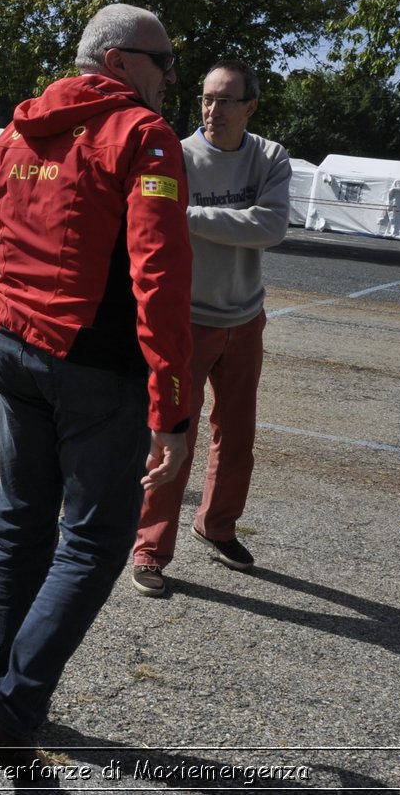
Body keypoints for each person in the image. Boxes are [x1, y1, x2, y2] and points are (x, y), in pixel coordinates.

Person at [0, 3, 192, 771]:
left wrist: (12, 310)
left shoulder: (19, 128)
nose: (170, 77)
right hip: (94, 365)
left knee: (21, 522)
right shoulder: (143, 135)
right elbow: (159, 273)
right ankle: (15, 702)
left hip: (12, 340)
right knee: (94, 538)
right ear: (122, 62)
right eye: (164, 60)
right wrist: (174, 403)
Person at [130, 58, 291, 597]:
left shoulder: (269, 157)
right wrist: (214, 218)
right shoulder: (175, 153)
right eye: (205, 98)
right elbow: (151, 215)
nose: (212, 109)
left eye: (225, 100)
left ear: (250, 106)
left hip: (246, 317)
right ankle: (150, 549)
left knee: (237, 434)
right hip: (186, 320)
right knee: (174, 434)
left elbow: (270, 226)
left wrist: (189, 214)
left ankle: (216, 525)